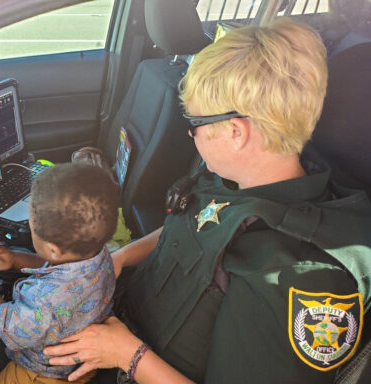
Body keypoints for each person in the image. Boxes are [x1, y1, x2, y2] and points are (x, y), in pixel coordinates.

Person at [43, 19, 371, 383]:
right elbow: (190, 230)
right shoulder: (234, 181)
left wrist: (125, 354)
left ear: (235, 132)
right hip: (125, 325)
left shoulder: (295, 277)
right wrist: (120, 258)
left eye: (195, 123)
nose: (190, 133)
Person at [0, 163, 120, 384]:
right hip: (77, 358)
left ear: (54, 249)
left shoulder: (45, 304)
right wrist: (13, 260)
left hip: (41, 374)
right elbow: (52, 266)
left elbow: (5, 328)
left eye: (31, 227)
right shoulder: (98, 252)